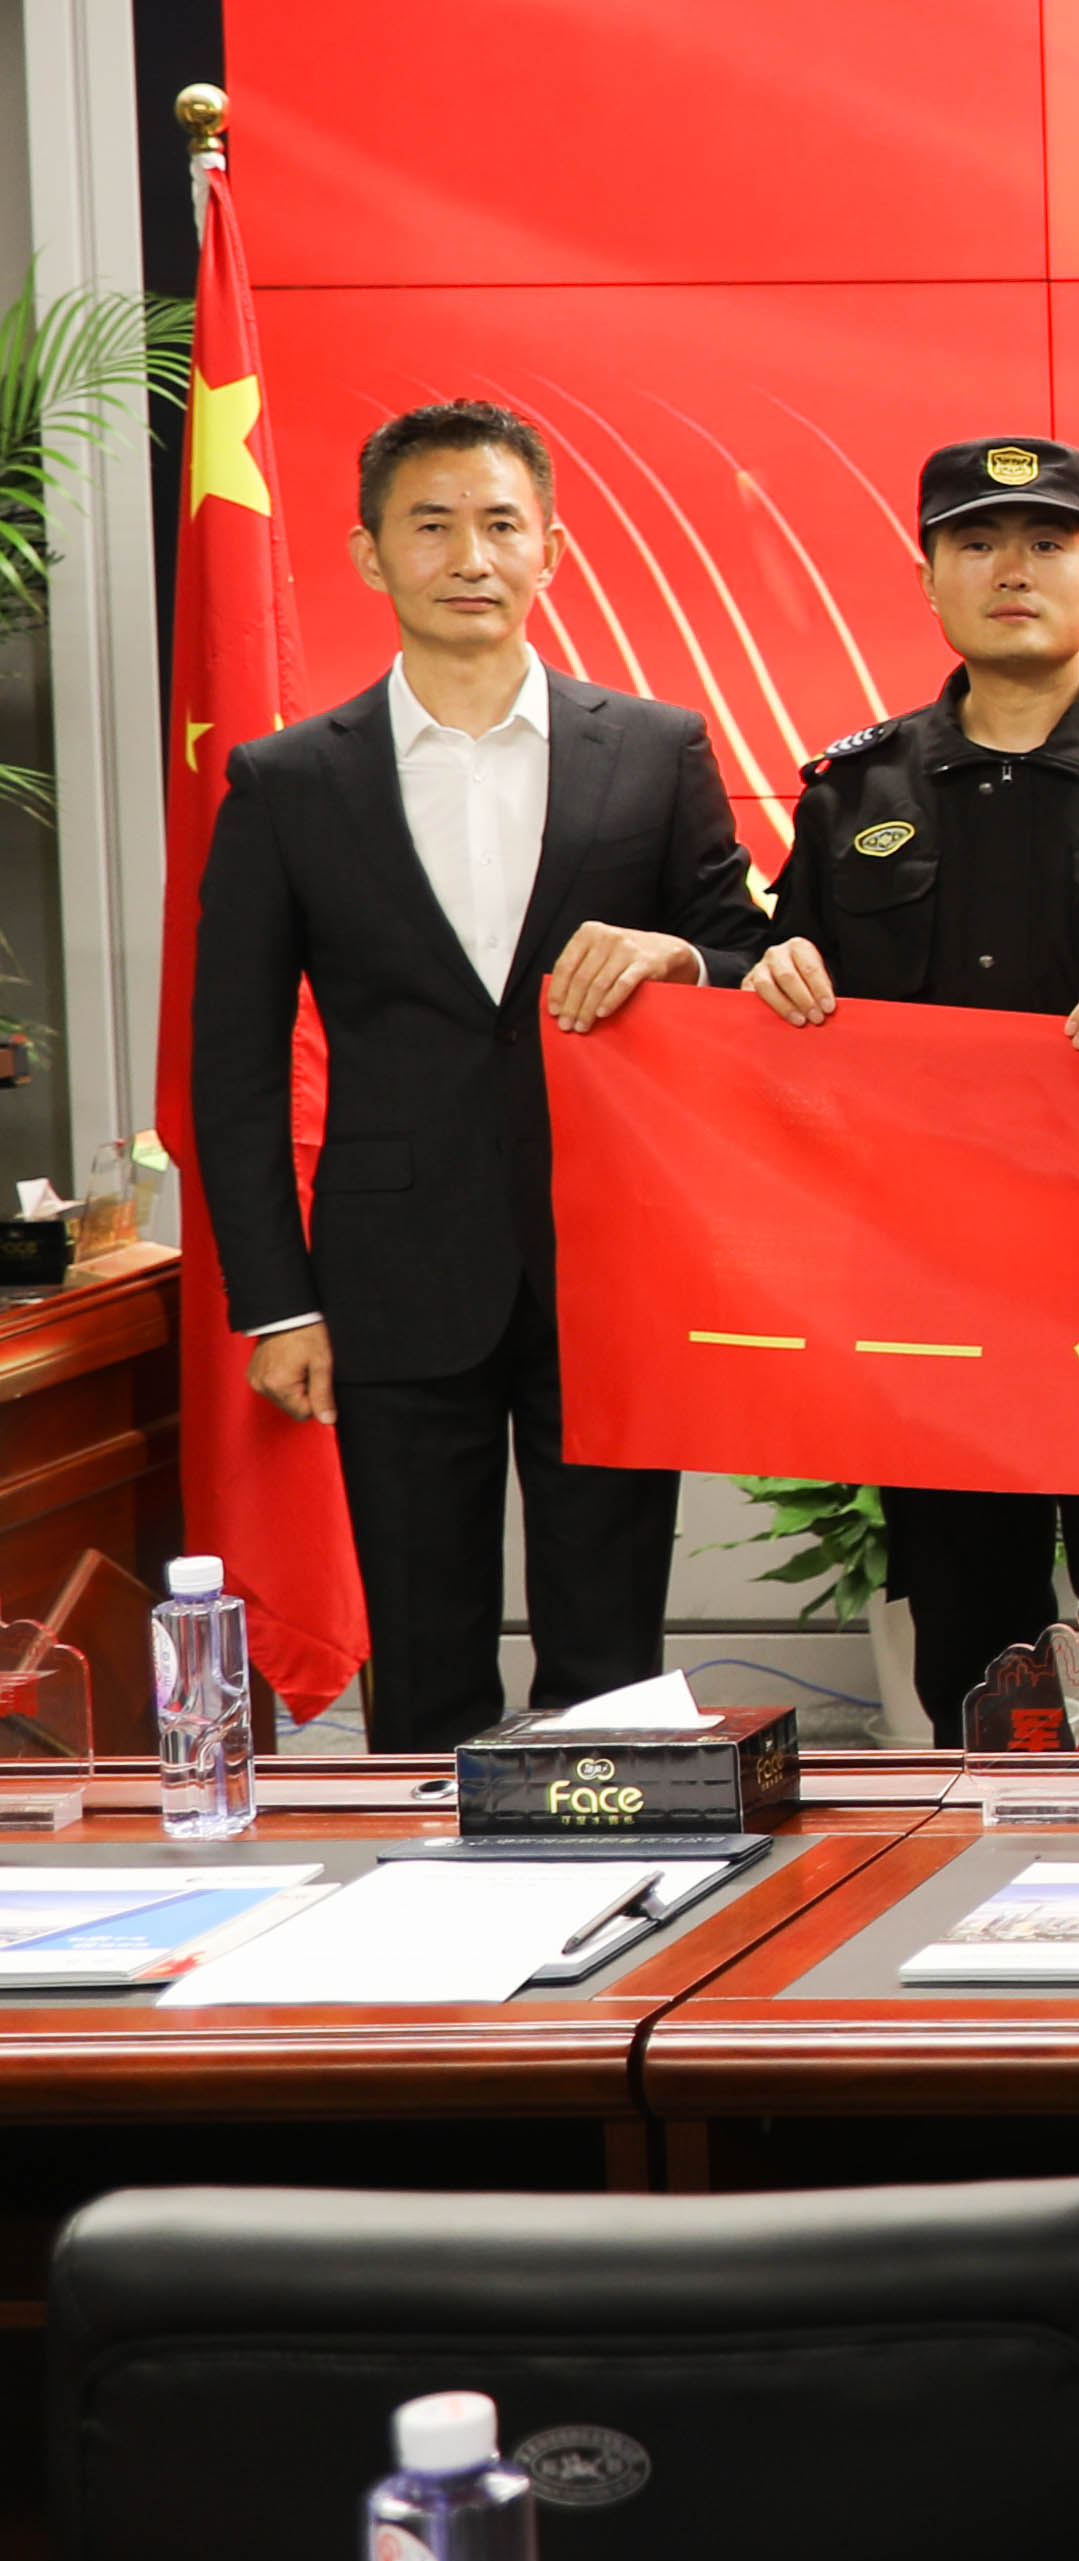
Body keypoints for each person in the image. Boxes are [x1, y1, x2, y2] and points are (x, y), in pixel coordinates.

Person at [193, 402, 761, 1753]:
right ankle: (423, 1880)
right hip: (390, 1268)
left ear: (550, 549)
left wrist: (678, 954)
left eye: (502, 524)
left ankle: (620, 1863)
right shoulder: (287, 780)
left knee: (610, 1667)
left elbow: (749, 959)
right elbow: (235, 1061)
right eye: (431, 524)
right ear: (368, 553)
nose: (470, 556)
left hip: (610, 1253)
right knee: (424, 1655)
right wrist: (278, 1303)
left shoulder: (656, 749)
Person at [748, 432, 1079, 1734]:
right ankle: (989, 1850)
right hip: (937, 1285)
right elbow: (786, 993)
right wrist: (774, 969)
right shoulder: (854, 792)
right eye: (975, 543)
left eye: (1045, 543)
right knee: (972, 1638)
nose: (1011, 569)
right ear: (929, 578)